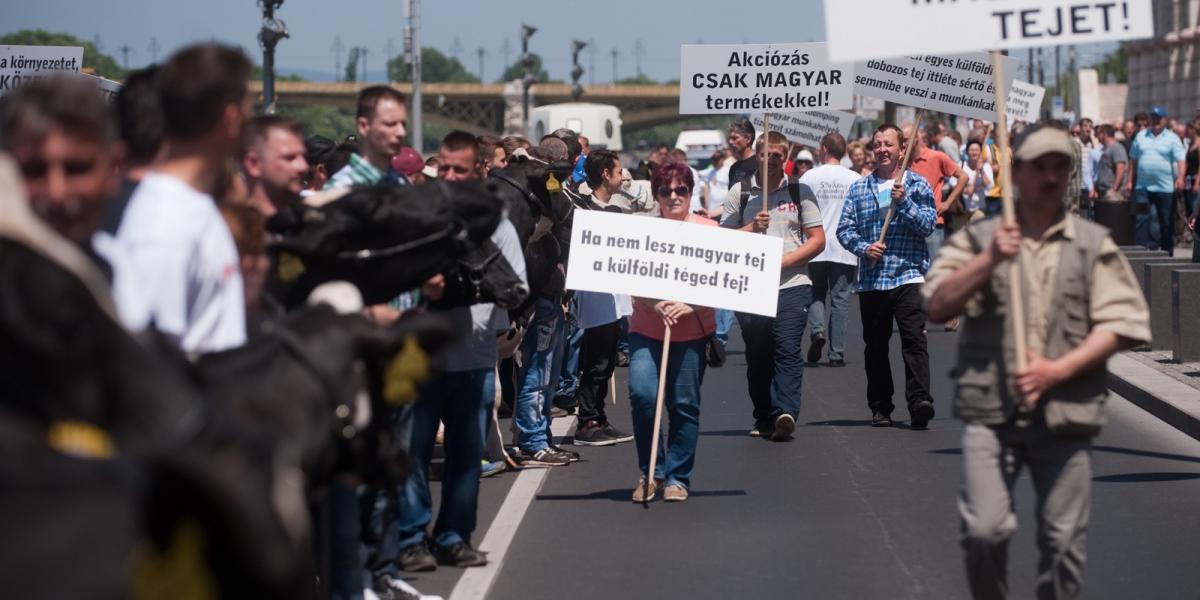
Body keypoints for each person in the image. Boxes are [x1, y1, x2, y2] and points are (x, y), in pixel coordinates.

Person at [923, 124, 1151, 600]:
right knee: (984, 531)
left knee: (1064, 542)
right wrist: (987, 262)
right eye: (1039, 166)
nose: (1050, 177)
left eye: (1060, 167)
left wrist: (1058, 369)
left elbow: (1126, 322)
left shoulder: (1092, 243)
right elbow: (938, 305)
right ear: (1018, 171)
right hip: (992, 411)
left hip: (1066, 411)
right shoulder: (979, 238)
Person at [388, 131, 527, 571]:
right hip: (419, 358)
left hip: (473, 357)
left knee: (467, 456)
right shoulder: (415, 216)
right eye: (443, 168)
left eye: (459, 170)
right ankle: (412, 537)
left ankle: (454, 537)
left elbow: (516, 286)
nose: (449, 176)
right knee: (411, 451)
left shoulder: (497, 224)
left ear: (479, 170)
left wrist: (479, 287)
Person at [111, 43, 249, 353]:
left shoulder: (191, 207)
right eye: (248, 109)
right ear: (230, 118)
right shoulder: (164, 225)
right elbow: (145, 360)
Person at [720, 131, 825, 440]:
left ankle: (785, 412)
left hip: (792, 284)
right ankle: (765, 414)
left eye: (779, 155)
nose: (773, 160)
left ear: (786, 157)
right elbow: (722, 240)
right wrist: (753, 227)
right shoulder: (739, 194)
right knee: (758, 354)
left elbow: (818, 240)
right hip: (751, 287)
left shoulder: (799, 191)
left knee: (788, 347)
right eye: (767, 154)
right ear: (758, 154)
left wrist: (785, 261)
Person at [836, 123, 937, 429]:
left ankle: (920, 400)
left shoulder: (917, 185)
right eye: (877, 144)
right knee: (875, 345)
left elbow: (928, 226)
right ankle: (881, 406)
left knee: (913, 341)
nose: (882, 149)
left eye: (888, 144)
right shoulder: (858, 189)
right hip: (873, 279)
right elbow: (844, 230)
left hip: (908, 274)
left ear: (901, 150)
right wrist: (865, 248)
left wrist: (904, 202)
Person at [628, 161, 716, 503]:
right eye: (666, 191)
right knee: (643, 396)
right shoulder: (643, 230)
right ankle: (651, 472)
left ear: (691, 193)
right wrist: (655, 302)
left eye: (681, 190)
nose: (674, 196)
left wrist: (691, 304)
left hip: (692, 334)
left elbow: (727, 284)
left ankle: (678, 477)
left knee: (684, 405)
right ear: (656, 196)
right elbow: (627, 275)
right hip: (646, 331)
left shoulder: (710, 230)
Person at [0, 75, 122, 252]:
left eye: (76, 169)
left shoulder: (132, 275)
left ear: (113, 168)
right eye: (34, 170)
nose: (56, 192)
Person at [571, 148, 637, 446]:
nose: (624, 176)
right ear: (605, 175)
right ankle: (587, 421)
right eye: (619, 171)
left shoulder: (615, 211)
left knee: (608, 361)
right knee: (595, 362)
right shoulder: (581, 210)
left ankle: (599, 416)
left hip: (615, 300)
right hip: (595, 299)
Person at [800, 132, 861, 368]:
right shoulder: (854, 178)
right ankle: (837, 353)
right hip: (845, 247)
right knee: (840, 299)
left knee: (815, 292)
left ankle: (817, 330)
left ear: (824, 149)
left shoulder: (810, 176)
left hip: (816, 244)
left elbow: (800, 211)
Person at [325, 85, 408, 189]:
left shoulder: (401, 184)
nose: (401, 132)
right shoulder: (338, 189)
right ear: (363, 126)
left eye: (403, 125)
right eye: (390, 124)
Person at [1128, 106, 1186, 254]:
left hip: (1165, 188)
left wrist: (1180, 178)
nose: (1156, 121)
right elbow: (1133, 160)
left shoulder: (1172, 138)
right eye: (1153, 117)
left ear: (1165, 120)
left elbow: (1181, 160)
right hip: (1142, 187)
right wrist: (1130, 181)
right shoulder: (1141, 136)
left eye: (1159, 118)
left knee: (1166, 222)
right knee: (1141, 220)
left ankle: (1167, 252)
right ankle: (1140, 253)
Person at [908, 123, 968, 262]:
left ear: (915, 139)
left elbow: (963, 177)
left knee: (934, 271)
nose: (902, 144)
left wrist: (947, 203)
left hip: (932, 225)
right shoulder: (903, 162)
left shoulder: (936, 157)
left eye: (905, 140)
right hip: (910, 226)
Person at [241, 116, 308, 217]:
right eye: (289, 158)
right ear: (254, 164)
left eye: (303, 156)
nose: (303, 166)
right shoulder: (221, 228)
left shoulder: (319, 224)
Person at [959, 140, 994, 222]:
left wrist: (981, 171)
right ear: (967, 152)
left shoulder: (986, 167)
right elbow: (952, 183)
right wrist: (964, 189)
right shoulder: (961, 165)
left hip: (979, 208)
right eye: (971, 150)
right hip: (962, 208)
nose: (974, 153)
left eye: (976, 150)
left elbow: (989, 185)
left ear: (980, 152)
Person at [1093, 124, 1128, 203]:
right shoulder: (1106, 149)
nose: (1096, 137)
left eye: (1098, 134)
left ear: (1104, 134)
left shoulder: (1116, 147)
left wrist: (1114, 188)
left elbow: (1120, 168)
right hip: (1104, 192)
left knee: (1112, 215)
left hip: (1112, 193)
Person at [726, 117, 758, 185]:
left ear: (748, 139)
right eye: (729, 138)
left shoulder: (760, 165)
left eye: (734, 138)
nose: (730, 142)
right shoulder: (734, 168)